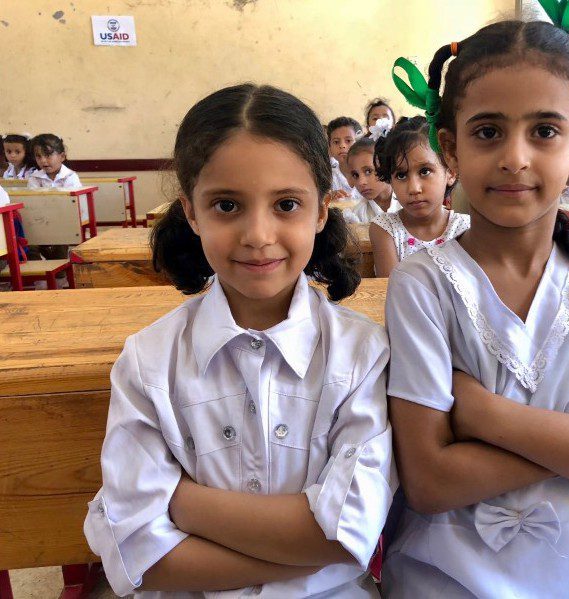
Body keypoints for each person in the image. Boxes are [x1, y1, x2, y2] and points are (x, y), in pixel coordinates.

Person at [382, 15, 569, 598]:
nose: (515, 157)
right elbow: (430, 482)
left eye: (544, 131)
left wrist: (488, 418)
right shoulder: (423, 284)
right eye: (488, 131)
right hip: (450, 580)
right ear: (451, 147)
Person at [84, 84, 396, 597]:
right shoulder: (148, 361)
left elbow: (343, 538)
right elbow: (141, 555)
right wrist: (300, 550)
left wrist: (180, 501)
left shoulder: (362, 354)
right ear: (191, 212)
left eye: (286, 204)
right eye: (227, 205)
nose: (258, 235)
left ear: (322, 210)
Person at [369, 116, 468, 278]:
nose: (414, 188)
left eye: (425, 171)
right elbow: (392, 289)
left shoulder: (464, 229)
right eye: (401, 175)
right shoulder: (386, 229)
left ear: (450, 172)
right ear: (390, 181)